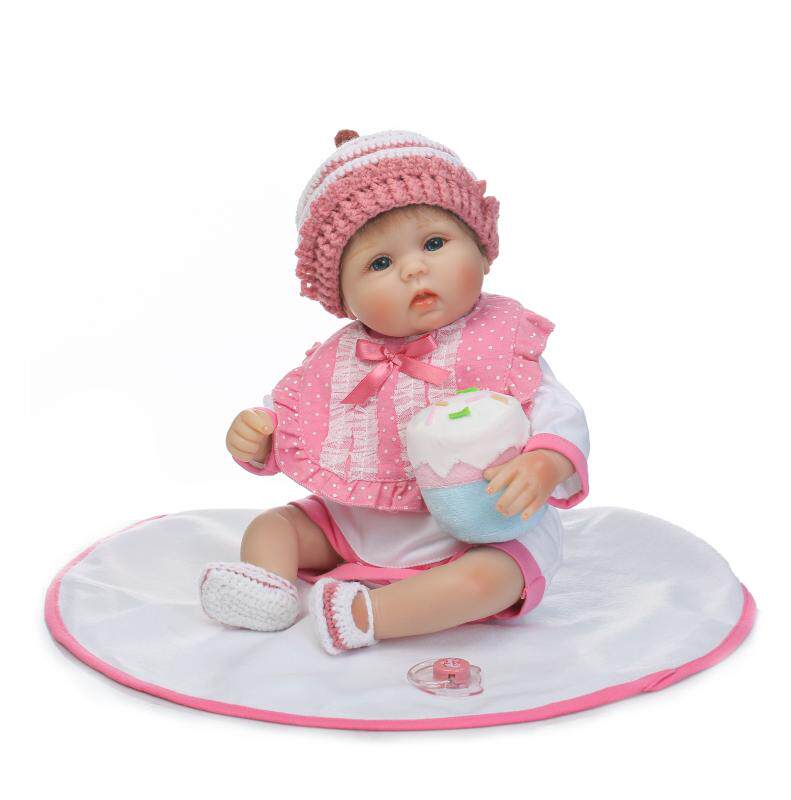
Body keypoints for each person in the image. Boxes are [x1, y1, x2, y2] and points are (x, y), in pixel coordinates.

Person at [199, 129, 590, 655]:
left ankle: (366, 615)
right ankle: (267, 588)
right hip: (357, 522)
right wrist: (256, 436)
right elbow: (294, 420)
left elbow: (558, 414)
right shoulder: (341, 359)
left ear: (482, 249)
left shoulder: (502, 339)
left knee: (489, 580)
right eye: (379, 264)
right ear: (344, 298)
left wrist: (544, 464)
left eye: (434, 243)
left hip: (481, 530)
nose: (413, 268)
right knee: (276, 526)